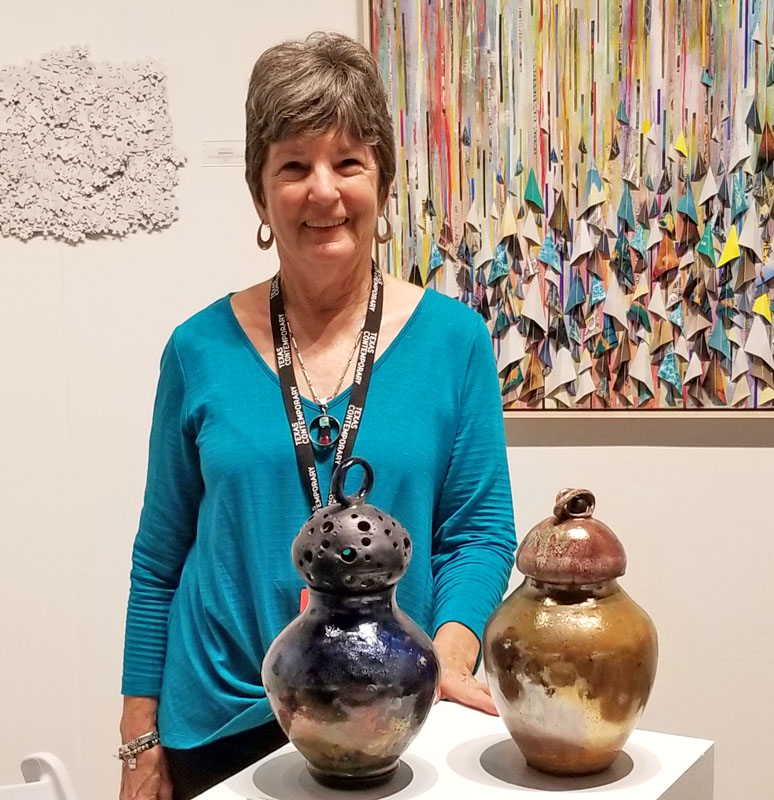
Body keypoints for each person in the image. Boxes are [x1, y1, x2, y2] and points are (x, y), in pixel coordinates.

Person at [118, 32, 516, 800]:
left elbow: (479, 532)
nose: (322, 191)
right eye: (293, 165)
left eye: (348, 162)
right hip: (218, 723)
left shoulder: (455, 341)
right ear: (260, 192)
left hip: (388, 715)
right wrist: (140, 738)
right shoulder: (196, 349)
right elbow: (159, 555)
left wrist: (450, 659)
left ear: (383, 181)